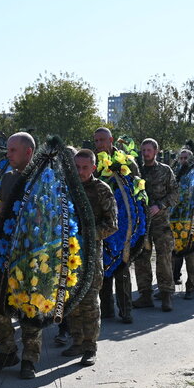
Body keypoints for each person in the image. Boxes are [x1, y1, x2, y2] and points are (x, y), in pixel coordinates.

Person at [0, 132, 41, 379]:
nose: (8, 155)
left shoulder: (45, 178)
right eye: (7, 150)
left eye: (13, 150)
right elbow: (0, 215)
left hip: (34, 254)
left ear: (28, 152)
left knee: (30, 308)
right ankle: (7, 351)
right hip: (4, 251)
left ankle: (30, 359)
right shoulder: (7, 179)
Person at [62, 149, 117, 366]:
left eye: (85, 168)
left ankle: (90, 346)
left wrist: (86, 234)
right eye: (77, 167)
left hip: (91, 254)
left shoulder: (102, 190)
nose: (80, 171)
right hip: (68, 254)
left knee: (90, 302)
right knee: (71, 300)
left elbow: (112, 224)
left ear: (93, 168)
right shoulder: (67, 188)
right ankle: (76, 341)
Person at [94, 128, 138, 323]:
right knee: (103, 265)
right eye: (96, 141)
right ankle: (107, 308)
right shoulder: (94, 162)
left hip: (122, 223)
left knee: (121, 266)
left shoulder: (125, 161)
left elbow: (137, 188)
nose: (99, 144)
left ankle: (126, 309)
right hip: (102, 221)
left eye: (102, 140)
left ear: (111, 140)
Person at [133, 138, 179, 312]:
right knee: (141, 258)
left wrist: (160, 205)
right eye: (143, 150)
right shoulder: (137, 171)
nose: (146, 153)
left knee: (164, 257)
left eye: (149, 150)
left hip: (160, 222)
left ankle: (166, 294)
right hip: (142, 223)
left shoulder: (165, 170)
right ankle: (145, 294)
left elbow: (175, 194)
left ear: (156, 151)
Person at [171, 149, 194, 299]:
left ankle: (190, 287)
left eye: (186, 158)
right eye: (181, 158)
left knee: (191, 255)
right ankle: (168, 287)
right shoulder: (175, 174)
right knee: (172, 254)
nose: (183, 160)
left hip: (192, 221)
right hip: (175, 220)